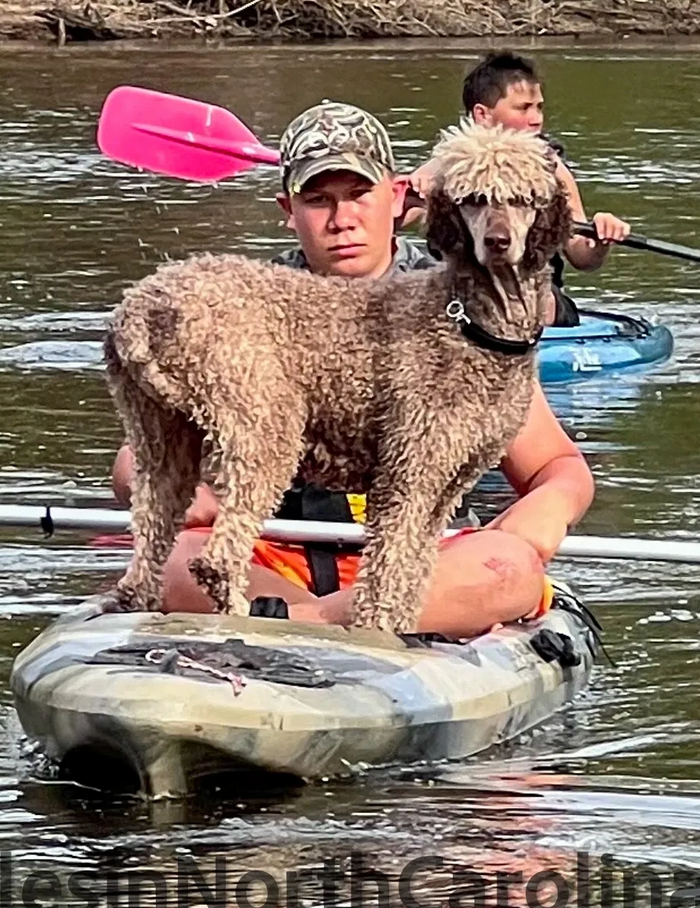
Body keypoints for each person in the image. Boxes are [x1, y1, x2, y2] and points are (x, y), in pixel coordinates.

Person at [111, 101, 595, 638]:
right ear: (286, 210)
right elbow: (141, 459)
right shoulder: (243, 306)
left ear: (396, 198)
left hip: (425, 561)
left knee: (509, 568)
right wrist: (186, 490)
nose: (342, 219)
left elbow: (556, 465)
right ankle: (329, 622)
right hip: (278, 558)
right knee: (180, 560)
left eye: (359, 194)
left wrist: (549, 510)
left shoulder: (474, 308)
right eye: (318, 200)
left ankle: (313, 625)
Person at [410, 51, 631, 327]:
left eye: (539, 107)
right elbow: (389, 217)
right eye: (523, 108)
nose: (536, 118)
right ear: (483, 115)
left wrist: (600, 240)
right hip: (459, 290)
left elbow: (580, 256)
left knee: (542, 302)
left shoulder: (551, 169)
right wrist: (414, 198)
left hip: (534, 293)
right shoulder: (448, 166)